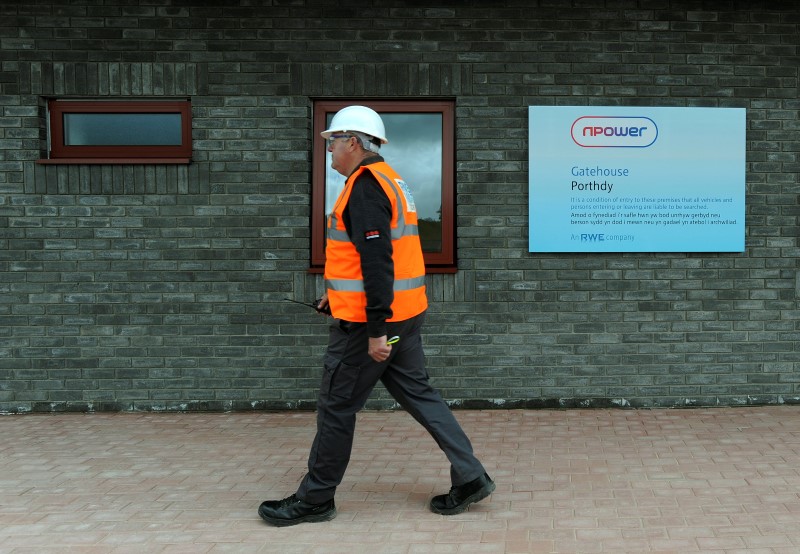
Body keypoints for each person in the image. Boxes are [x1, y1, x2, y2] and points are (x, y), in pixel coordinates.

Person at [258, 105, 494, 527]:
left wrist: (375, 330)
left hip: (370, 328)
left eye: (333, 140)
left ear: (353, 142)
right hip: (405, 315)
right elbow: (376, 261)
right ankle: (471, 476)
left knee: (336, 407)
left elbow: (379, 261)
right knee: (421, 395)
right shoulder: (391, 180)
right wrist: (336, 298)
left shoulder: (365, 188)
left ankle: (315, 499)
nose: (328, 149)